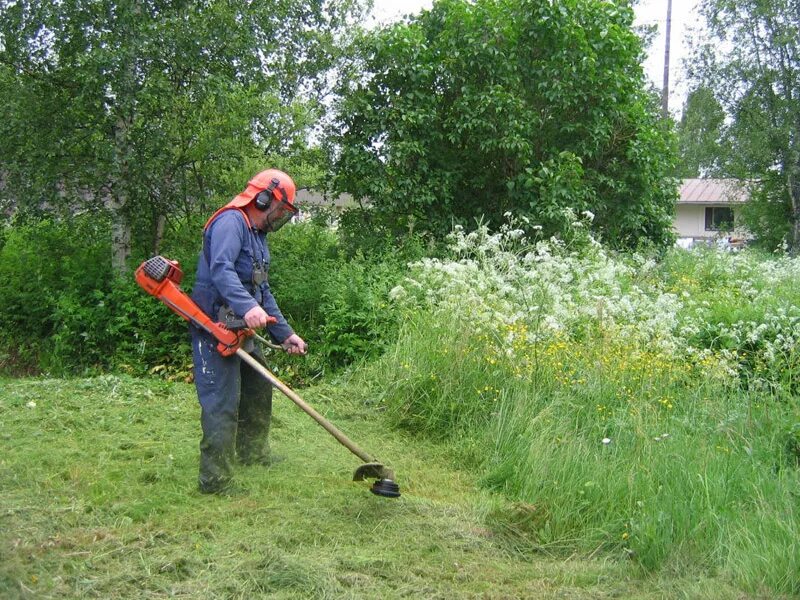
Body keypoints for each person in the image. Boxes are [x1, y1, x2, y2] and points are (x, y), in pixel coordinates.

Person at [189, 168, 307, 494]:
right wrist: (248, 307)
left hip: (239, 326)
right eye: (280, 209)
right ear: (263, 197)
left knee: (258, 388)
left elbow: (262, 290)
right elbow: (221, 269)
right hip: (215, 327)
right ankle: (214, 481)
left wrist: (285, 334)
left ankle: (252, 454)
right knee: (222, 402)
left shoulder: (257, 236)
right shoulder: (231, 223)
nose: (280, 217)